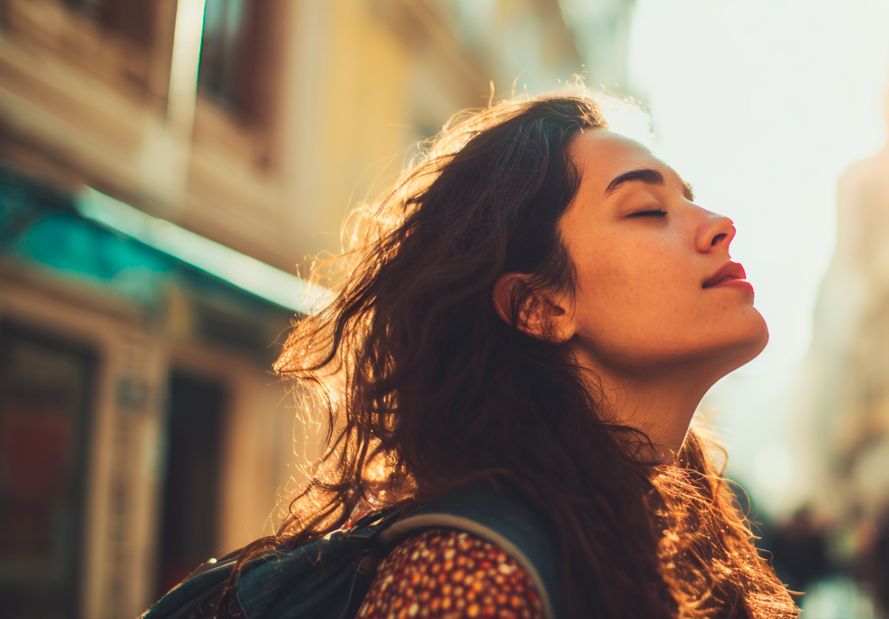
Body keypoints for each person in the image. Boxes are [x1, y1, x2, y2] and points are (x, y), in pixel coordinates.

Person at [172, 88, 798, 619]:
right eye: (648, 210)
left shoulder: (679, 536)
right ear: (540, 307)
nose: (718, 223)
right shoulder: (469, 574)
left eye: (690, 197)